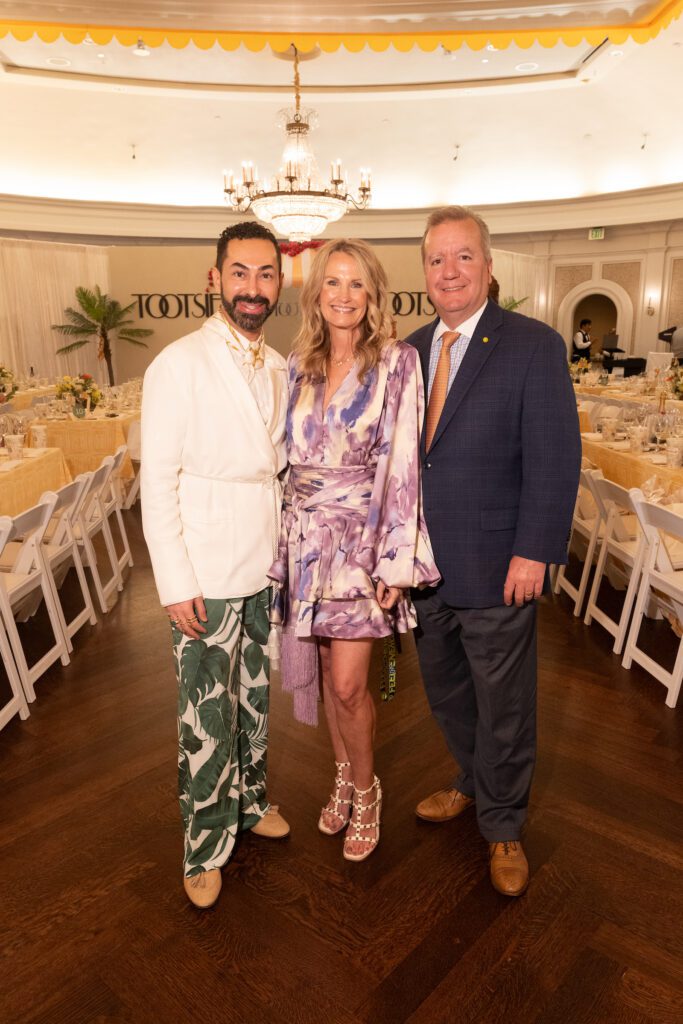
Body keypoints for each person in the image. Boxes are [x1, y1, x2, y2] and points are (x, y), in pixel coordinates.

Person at [406, 206, 581, 896]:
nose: (448, 271)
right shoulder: (407, 351)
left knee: (503, 701)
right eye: (436, 259)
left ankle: (503, 826)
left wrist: (533, 550)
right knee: (448, 693)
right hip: (421, 567)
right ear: (423, 272)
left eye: (462, 257)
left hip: (498, 562)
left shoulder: (532, 345)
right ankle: (471, 781)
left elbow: (553, 457)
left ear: (487, 266)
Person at [268, 238, 439, 862]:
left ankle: (366, 792)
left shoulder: (396, 363)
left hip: (361, 547)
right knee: (323, 675)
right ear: (316, 295)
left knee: (347, 686)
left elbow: (402, 467)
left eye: (355, 284)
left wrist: (395, 559)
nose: (343, 295)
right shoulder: (299, 363)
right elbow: (285, 460)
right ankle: (342, 774)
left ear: (373, 295)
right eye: (331, 283)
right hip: (305, 543)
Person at [141, 222, 290, 909]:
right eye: (239, 273)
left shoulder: (282, 366)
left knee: (254, 701)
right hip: (202, 572)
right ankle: (202, 842)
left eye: (265, 274)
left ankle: (252, 802)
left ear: (279, 282)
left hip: (264, 566)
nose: (252, 288)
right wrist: (175, 582)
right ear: (215, 277)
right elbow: (157, 481)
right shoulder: (178, 363)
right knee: (204, 713)